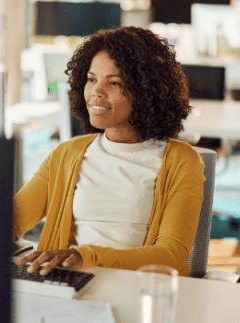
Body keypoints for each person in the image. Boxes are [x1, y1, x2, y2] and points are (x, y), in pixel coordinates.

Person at [13, 26, 205, 277]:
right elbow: (12, 220)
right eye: (91, 79)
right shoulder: (66, 154)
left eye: (113, 82)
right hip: (69, 287)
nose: (95, 92)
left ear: (145, 91)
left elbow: (170, 254)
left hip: (138, 290)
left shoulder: (182, 161)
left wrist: (86, 256)